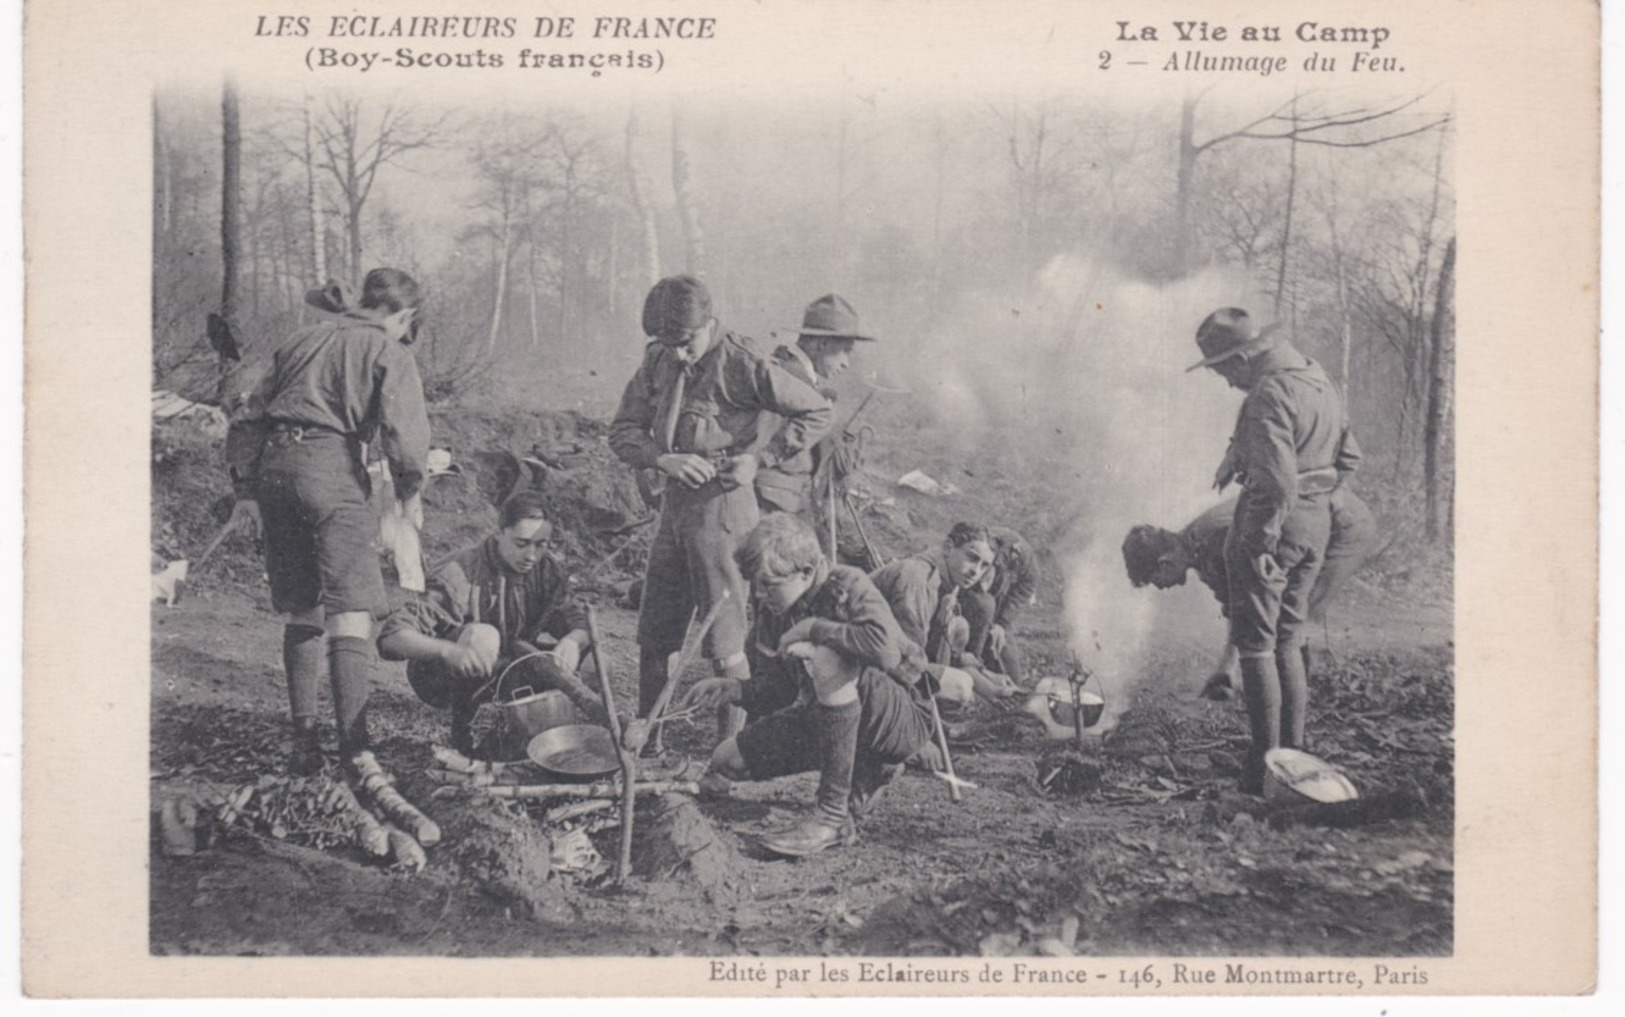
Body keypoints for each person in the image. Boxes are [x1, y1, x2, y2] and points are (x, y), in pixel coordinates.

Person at [223, 267, 430, 777]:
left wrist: (245, 490)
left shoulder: (300, 339)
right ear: (402, 316)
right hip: (330, 470)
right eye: (408, 325)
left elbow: (245, 410)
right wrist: (410, 493)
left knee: (301, 609)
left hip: (274, 472)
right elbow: (404, 434)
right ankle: (355, 751)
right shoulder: (388, 350)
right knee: (350, 612)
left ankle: (303, 743)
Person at [609, 275, 834, 740]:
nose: (678, 354)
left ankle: (731, 752)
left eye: (686, 343)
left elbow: (817, 412)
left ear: (708, 323)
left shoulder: (742, 360)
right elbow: (623, 431)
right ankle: (646, 739)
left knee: (725, 641)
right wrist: (662, 458)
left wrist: (760, 459)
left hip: (724, 513)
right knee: (655, 634)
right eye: (667, 344)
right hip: (674, 512)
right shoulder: (659, 358)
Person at [683, 514, 965, 857]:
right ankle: (868, 769)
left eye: (768, 584)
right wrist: (737, 689)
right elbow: (781, 690)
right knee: (729, 760)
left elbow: (885, 650)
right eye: (754, 583)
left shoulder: (847, 584)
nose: (758, 593)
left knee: (828, 658)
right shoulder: (773, 606)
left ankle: (830, 816)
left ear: (806, 572)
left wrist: (815, 628)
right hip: (831, 715)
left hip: (898, 719)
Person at [1187, 307, 1360, 795]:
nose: (1225, 382)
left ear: (1243, 358)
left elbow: (1277, 481)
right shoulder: (1315, 377)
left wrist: (1262, 539)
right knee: (1289, 638)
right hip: (1315, 522)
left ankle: (1264, 766)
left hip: (1271, 526)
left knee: (1256, 645)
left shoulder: (1266, 394)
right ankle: (1294, 756)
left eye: (1224, 370)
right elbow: (1350, 456)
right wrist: (1315, 501)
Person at [377, 491, 599, 754]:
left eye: (541, 545)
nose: (531, 555)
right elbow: (391, 636)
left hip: (510, 666)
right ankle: (462, 733)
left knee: (597, 663)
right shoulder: (460, 571)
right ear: (499, 533)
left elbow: (579, 620)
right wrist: (449, 651)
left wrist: (573, 640)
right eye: (521, 543)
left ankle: (535, 737)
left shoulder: (546, 569)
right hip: (440, 676)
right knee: (483, 636)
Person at [1122, 487, 1379, 698]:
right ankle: (1294, 683)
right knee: (1281, 622)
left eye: (1155, 581)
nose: (1161, 588)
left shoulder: (1214, 538)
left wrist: (1233, 667)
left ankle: (1304, 693)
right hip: (1312, 529)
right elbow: (1238, 610)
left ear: (1164, 562)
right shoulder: (1199, 553)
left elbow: (1255, 602)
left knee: (1295, 615)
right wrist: (1226, 669)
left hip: (1344, 526)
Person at [754, 294, 875, 537]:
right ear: (821, 344)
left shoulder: (801, 379)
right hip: (768, 508)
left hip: (783, 503)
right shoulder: (785, 378)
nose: (846, 363)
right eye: (844, 352)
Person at [870, 522, 1018, 702]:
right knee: (961, 686)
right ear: (948, 547)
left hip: (892, 655)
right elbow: (909, 660)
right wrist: (971, 683)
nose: (975, 572)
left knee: (959, 626)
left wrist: (984, 675)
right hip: (867, 665)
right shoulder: (918, 579)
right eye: (972, 557)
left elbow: (945, 647)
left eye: (984, 566)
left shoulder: (947, 579)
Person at [959, 526, 1038, 684]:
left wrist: (1002, 624)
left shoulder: (1022, 558)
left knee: (1012, 677)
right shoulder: (980, 549)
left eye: (986, 566)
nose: (979, 570)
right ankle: (974, 671)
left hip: (998, 617)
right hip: (968, 611)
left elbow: (1026, 587)